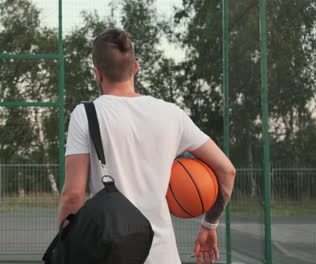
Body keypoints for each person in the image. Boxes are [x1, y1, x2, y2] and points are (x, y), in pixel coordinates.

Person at [58, 28, 236, 264]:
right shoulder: (172, 114)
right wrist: (209, 225)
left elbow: (73, 196)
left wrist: (66, 249)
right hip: (164, 256)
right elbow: (227, 171)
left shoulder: (86, 114)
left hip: (110, 254)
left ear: (97, 73)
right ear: (136, 68)